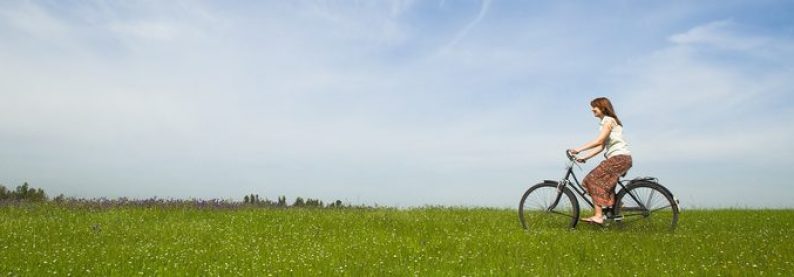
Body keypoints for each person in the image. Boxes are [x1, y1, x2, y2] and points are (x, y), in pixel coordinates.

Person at [568, 97, 632, 224]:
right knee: (605, 184)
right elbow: (601, 147)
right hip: (622, 159)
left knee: (591, 179)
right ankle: (616, 205)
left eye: (594, 107)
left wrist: (578, 149)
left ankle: (598, 216)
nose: (592, 109)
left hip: (619, 158)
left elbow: (599, 141)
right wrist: (584, 157)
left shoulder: (608, 120)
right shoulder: (608, 121)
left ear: (603, 107)